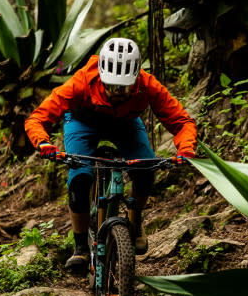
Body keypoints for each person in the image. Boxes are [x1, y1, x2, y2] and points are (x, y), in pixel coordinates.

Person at [25, 37, 197, 270]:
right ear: (102, 75)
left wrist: (186, 148)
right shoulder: (82, 81)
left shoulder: (148, 85)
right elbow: (38, 118)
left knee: (146, 169)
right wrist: (43, 143)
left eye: (124, 86)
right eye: (111, 85)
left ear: (135, 79)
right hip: (82, 122)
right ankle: (81, 248)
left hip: (125, 123)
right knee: (80, 178)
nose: (117, 92)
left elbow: (181, 121)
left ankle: (135, 222)